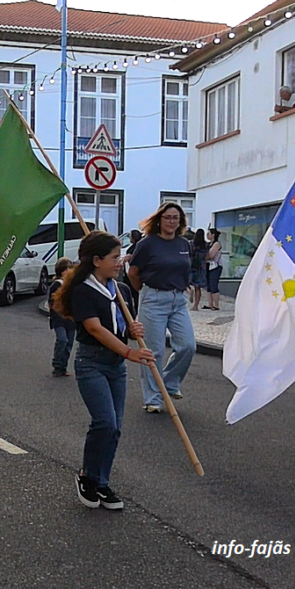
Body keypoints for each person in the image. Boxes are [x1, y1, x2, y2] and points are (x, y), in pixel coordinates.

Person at [53, 231, 153, 510]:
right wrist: (130, 352)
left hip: (115, 366)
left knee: (116, 428)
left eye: (119, 257)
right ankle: (87, 476)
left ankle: (102, 481)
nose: (119, 262)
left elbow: (123, 328)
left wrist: (133, 332)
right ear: (96, 260)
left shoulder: (119, 291)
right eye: (114, 258)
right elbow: (94, 328)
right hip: (92, 363)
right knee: (104, 422)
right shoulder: (83, 290)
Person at [127, 202, 196, 414]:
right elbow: (133, 273)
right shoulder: (147, 244)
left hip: (177, 300)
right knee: (153, 351)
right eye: (167, 217)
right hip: (153, 299)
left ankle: (169, 382)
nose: (171, 221)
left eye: (175, 218)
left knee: (187, 345)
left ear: (181, 222)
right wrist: (146, 294)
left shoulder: (184, 244)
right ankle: (153, 398)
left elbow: (186, 269)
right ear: (159, 220)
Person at [48, 257, 76, 377]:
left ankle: (63, 366)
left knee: (69, 342)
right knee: (62, 339)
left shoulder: (72, 285)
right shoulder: (56, 285)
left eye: (70, 269)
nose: (68, 271)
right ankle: (57, 364)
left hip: (70, 319)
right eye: (66, 269)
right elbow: (51, 302)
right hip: (59, 318)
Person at [189, 229, 208, 311]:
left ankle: (189, 291)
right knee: (198, 288)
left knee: (186, 283)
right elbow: (207, 256)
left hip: (191, 265)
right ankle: (196, 305)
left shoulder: (191, 244)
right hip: (200, 267)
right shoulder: (206, 245)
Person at [205, 229, 222, 310]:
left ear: (213, 235)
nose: (207, 235)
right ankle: (210, 304)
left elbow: (211, 255)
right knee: (208, 285)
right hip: (208, 265)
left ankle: (216, 304)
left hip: (215, 266)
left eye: (209, 233)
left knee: (213, 284)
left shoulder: (216, 244)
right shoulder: (208, 244)